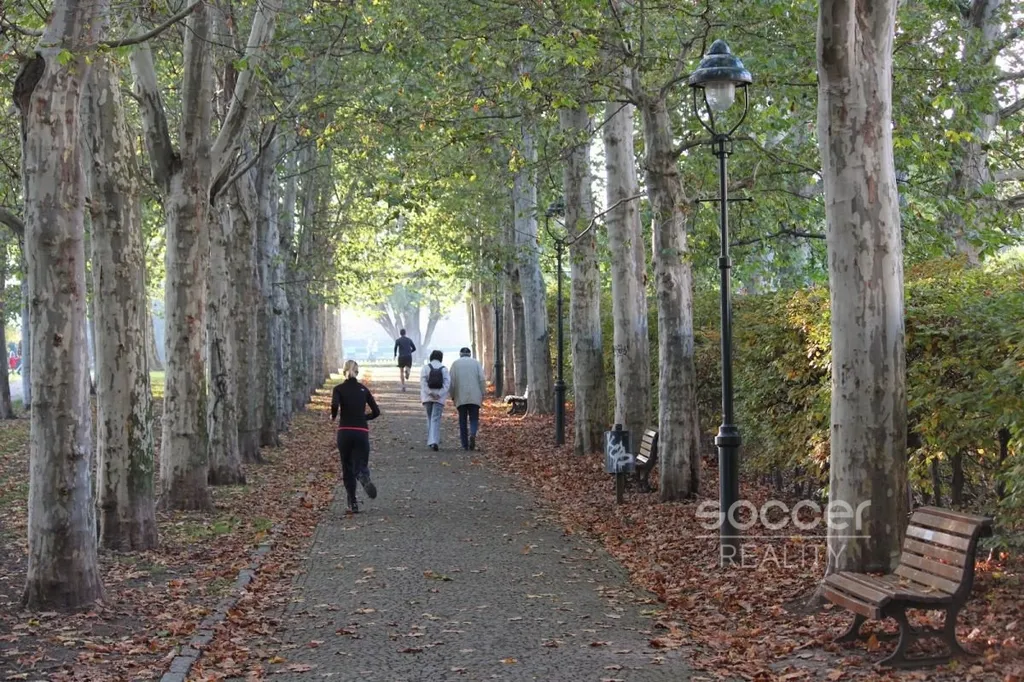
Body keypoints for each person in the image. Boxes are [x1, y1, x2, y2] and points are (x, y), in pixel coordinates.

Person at [331, 360, 380, 514]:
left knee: (347, 467)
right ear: (357, 372)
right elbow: (376, 412)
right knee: (361, 463)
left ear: (343, 372)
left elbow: (335, 405)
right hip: (361, 431)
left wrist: (333, 416)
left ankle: (353, 502)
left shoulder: (338, 389)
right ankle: (363, 476)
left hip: (345, 431)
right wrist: (364, 418)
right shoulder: (363, 389)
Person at [449, 347, 485, 451]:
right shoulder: (476, 363)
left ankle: (464, 444)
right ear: (470, 354)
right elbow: (482, 379)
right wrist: (482, 393)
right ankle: (473, 433)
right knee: (474, 418)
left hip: (460, 395)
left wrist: (452, 395)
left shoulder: (455, 364)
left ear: (460, 354)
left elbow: (452, 382)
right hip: (475, 395)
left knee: (462, 420)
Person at [420, 350, 450, 451]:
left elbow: (423, 383)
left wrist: (430, 393)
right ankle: (434, 441)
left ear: (431, 357)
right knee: (435, 419)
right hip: (439, 399)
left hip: (427, 398)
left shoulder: (425, 368)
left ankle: (431, 440)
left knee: (429, 418)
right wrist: (439, 394)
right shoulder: (444, 369)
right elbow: (447, 384)